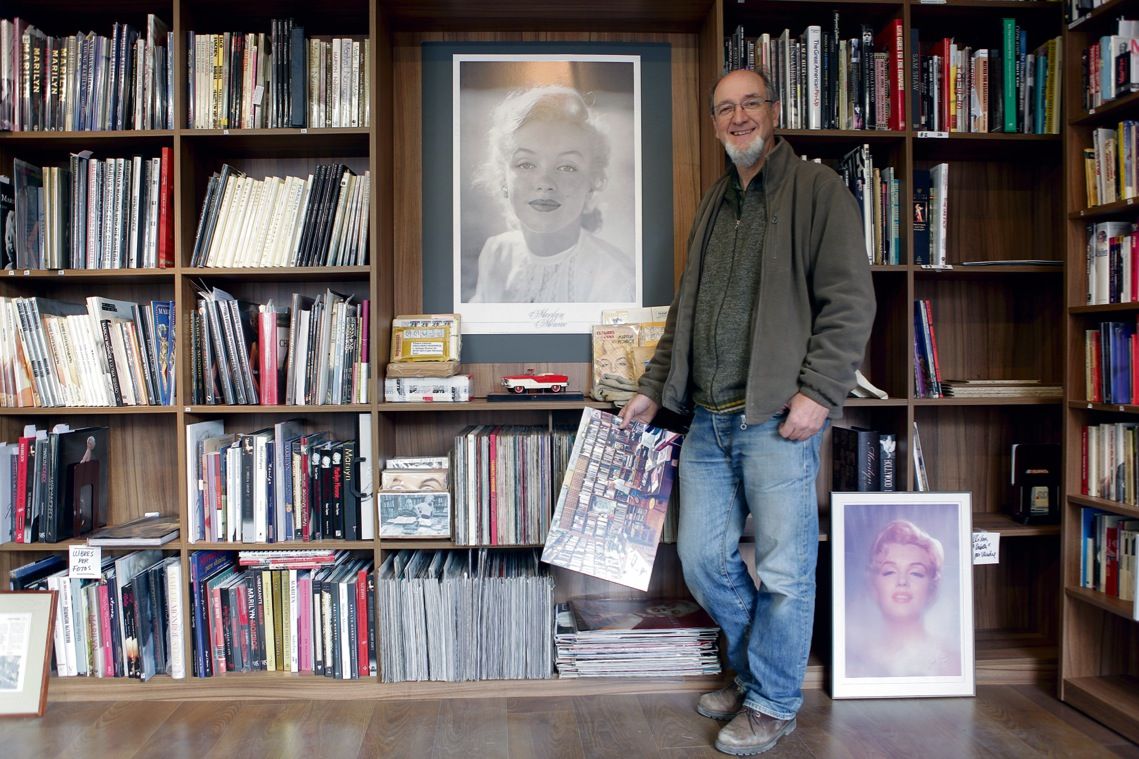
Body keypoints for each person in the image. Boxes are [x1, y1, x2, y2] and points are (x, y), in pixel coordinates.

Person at [619, 68, 875, 756]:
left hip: (775, 417)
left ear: (774, 109)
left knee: (787, 570)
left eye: (749, 103)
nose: (737, 117)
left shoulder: (818, 191)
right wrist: (651, 386)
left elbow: (849, 301)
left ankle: (771, 701)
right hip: (706, 417)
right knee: (702, 559)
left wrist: (819, 392)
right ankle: (756, 670)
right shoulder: (713, 203)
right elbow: (686, 314)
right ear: (713, 123)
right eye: (724, 109)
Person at [468, 85, 635, 303]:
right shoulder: (497, 252)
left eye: (567, 167)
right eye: (526, 164)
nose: (545, 183)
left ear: (591, 184)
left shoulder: (617, 278)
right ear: (503, 178)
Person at [846, 519, 960, 678]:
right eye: (889, 572)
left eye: (916, 573)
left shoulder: (953, 665)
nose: (902, 582)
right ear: (873, 584)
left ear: (932, 588)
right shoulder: (851, 666)